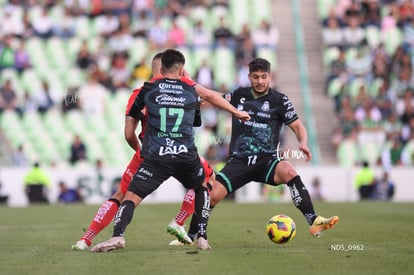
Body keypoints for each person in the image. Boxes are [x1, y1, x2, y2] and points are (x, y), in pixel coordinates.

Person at [90, 49, 250, 252]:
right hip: (185, 154)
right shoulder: (190, 88)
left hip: (157, 155)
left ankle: (118, 236)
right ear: (182, 69)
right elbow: (208, 98)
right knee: (202, 187)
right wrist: (236, 112)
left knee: (130, 197)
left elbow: (132, 117)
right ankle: (202, 237)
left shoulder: (148, 88)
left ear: (160, 68)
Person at [170, 57, 339, 246]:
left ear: (270, 77)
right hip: (239, 162)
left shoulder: (279, 100)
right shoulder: (238, 95)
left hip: (266, 161)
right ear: (249, 77)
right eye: (256, 77)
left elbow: (298, 127)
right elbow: (212, 96)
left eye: (264, 77)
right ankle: (191, 236)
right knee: (212, 196)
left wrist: (304, 143)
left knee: (289, 171)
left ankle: (313, 220)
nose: (260, 81)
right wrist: (190, 83)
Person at [71, 53, 164, 251]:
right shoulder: (185, 91)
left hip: (148, 153)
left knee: (121, 195)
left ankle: (87, 238)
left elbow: (129, 133)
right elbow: (203, 104)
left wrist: (140, 150)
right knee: (205, 180)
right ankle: (195, 233)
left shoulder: (141, 92)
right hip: (179, 152)